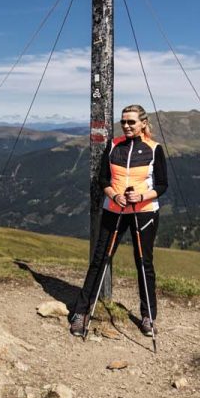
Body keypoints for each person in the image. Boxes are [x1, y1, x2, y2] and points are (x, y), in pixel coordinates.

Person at [70, 104, 168, 338]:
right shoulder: (114, 145)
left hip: (144, 212)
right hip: (114, 209)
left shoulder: (154, 149)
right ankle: (81, 312)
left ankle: (148, 316)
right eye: (123, 122)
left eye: (131, 122)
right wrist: (114, 194)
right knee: (99, 259)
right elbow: (103, 178)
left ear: (143, 123)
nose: (126, 126)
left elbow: (162, 185)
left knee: (144, 263)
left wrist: (141, 196)